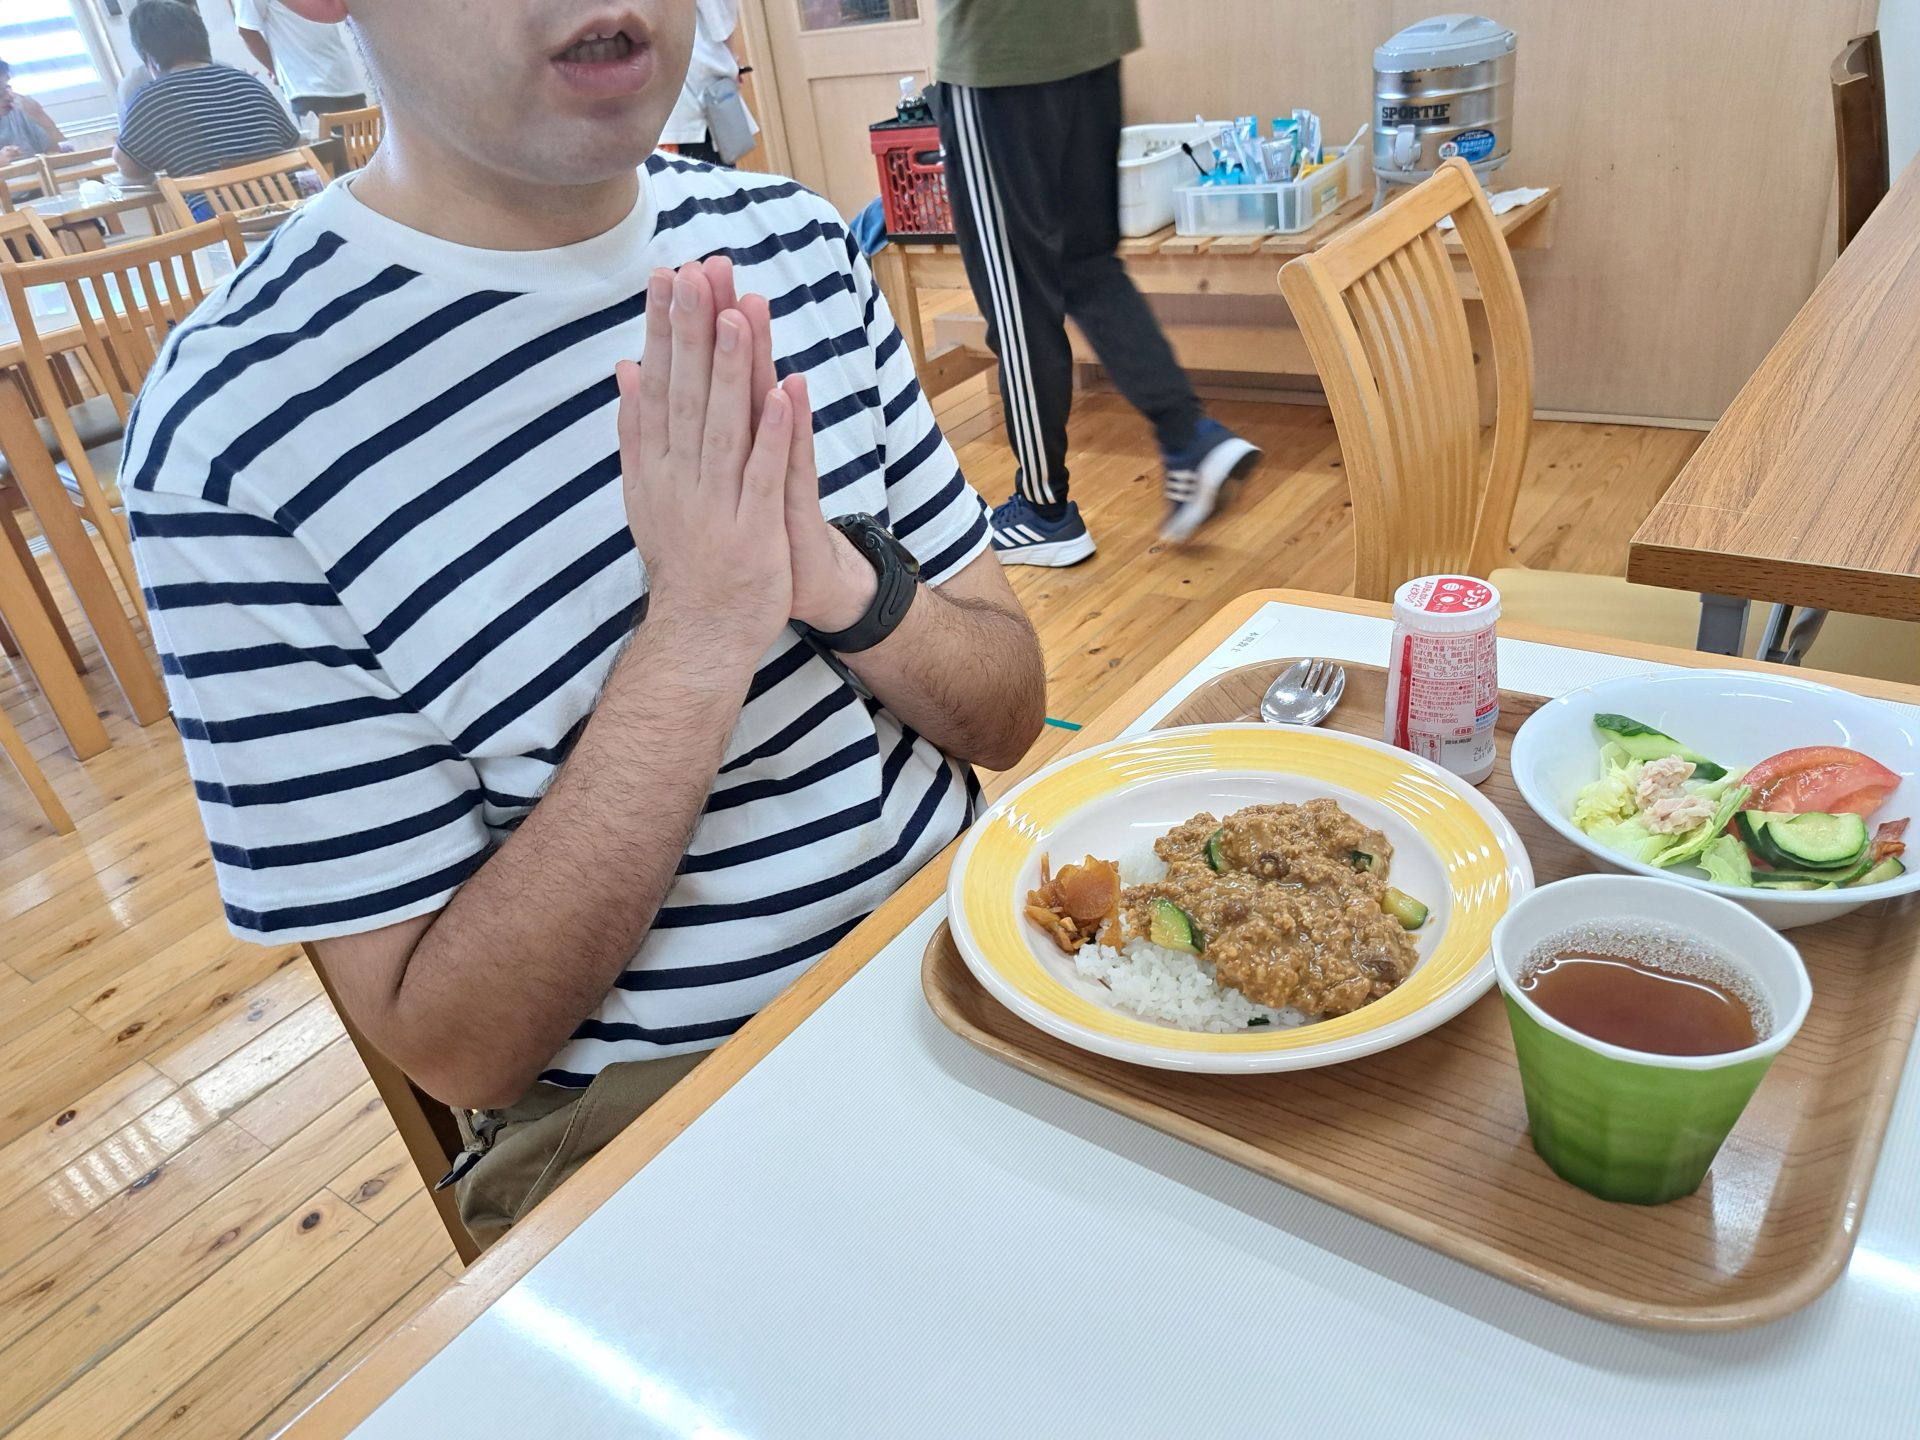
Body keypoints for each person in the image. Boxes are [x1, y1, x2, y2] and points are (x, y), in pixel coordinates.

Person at [124, 0, 1045, 1242]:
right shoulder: (235, 433)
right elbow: (459, 1048)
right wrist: (699, 632)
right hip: (660, 1116)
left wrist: (835, 575)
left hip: (980, 951)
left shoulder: (793, 241)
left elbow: (1009, 714)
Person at [932, 0, 1261, 565]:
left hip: (1001, 51)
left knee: (1017, 295)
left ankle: (1043, 510)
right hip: (1094, 36)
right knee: (1088, 265)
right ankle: (1189, 435)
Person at [113, 0, 300, 188]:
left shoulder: (153, 100)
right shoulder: (246, 82)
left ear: (148, 58)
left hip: (215, 206)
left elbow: (129, 169)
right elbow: (293, 143)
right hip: (289, 200)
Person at [235, 0, 369, 120]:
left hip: (348, 81)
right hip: (307, 88)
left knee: (368, 139)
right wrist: (274, 69)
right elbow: (246, 30)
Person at [659, 0, 754, 165]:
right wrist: (732, 63)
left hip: (663, 99)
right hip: (699, 99)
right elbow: (721, 29)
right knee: (708, 172)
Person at [0, 57, 68, 163]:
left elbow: (69, 153)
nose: (10, 96)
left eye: (8, 87)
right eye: (1, 90)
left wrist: (42, 118)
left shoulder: (22, 110)